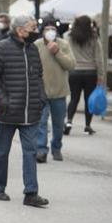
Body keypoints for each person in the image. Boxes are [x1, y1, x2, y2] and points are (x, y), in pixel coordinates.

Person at [0, 15, 49, 208]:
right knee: (3, 151)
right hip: (7, 112)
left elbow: (38, 76)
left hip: (31, 112)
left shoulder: (33, 49)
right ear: (20, 30)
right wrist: (3, 102)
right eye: (32, 27)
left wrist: (41, 98)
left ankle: (31, 193)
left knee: (30, 151)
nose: (35, 30)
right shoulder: (1, 48)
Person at [34, 16, 75, 163]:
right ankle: (41, 150)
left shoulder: (63, 44)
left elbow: (70, 65)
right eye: (47, 29)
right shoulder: (37, 45)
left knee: (58, 124)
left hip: (59, 92)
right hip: (41, 93)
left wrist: (57, 52)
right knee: (41, 122)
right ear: (42, 31)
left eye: (53, 29)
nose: (50, 31)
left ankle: (56, 147)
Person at [65, 15, 104, 135]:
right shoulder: (94, 38)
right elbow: (99, 58)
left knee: (74, 98)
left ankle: (69, 122)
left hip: (74, 72)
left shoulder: (68, 37)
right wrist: (101, 74)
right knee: (89, 100)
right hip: (90, 73)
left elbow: (65, 53)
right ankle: (87, 126)